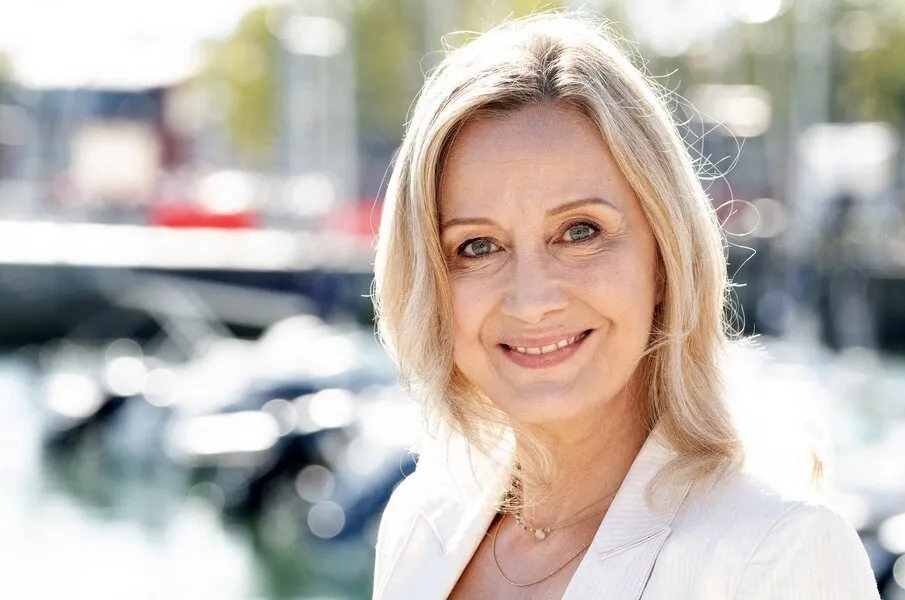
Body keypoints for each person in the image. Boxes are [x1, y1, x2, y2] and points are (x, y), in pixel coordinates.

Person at [369, 13, 878, 600]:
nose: (532, 300)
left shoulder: (776, 552)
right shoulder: (420, 520)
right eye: (478, 246)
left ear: (663, 256)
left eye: (580, 231)